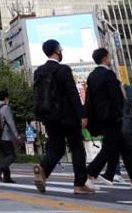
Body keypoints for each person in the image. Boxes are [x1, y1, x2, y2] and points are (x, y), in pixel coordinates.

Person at [32, 39, 93, 194]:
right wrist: (82, 115)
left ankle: (43, 170)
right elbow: (72, 93)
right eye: (61, 48)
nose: (62, 51)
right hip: (68, 117)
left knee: (56, 148)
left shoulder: (38, 71)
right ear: (57, 50)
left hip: (49, 117)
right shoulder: (63, 69)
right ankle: (79, 185)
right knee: (77, 148)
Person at [85, 48, 132, 191]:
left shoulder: (92, 76)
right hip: (112, 117)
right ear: (105, 59)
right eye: (109, 57)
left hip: (100, 117)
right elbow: (116, 98)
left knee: (125, 148)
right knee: (108, 147)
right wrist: (119, 114)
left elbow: (90, 99)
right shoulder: (108, 74)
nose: (111, 60)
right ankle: (88, 175)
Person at [0, 90, 20, 183]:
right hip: (4, 136)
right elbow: (10, 122)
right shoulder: (5, 107)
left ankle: (7, 178)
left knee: (4, 157)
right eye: (8, 98)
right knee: (12, 156)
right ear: (6, 98)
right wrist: (17, 135)